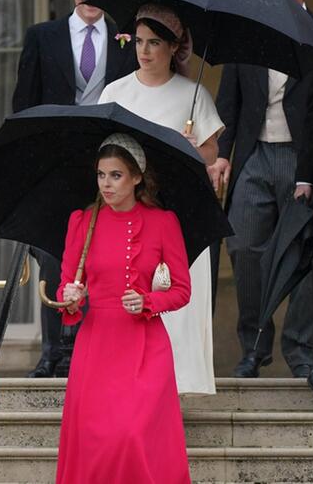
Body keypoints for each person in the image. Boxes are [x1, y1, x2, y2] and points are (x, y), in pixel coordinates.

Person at [12, 0, 137, 378]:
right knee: (53, 250)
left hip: (108, 157)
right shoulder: (41, 36)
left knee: (103, 250)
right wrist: (27, 163)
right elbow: (23, 105)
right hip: (54, 159)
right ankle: (53, 349)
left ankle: (91, 346)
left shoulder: (126, 40)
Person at [212, 0, 313, 378]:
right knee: (243, 247)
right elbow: (230, 99)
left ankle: (299, 348)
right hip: (255, 156)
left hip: (307, 161)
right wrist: (224, 153)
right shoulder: (248, 33)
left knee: (305, 255)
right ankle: (254, 343)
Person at [98, 2, 223, 395]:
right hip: (129, 212)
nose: (145, 51)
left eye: (154, 43)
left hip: (178, 210)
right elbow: (101, 149)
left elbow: (211, 152)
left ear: (173, 47)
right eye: (139, 42)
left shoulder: (194, 93)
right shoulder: (115, 92)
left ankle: (179, 382)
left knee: (175, 299)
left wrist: (189, 148)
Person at [55, 133, 191, 483]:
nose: (106, 184)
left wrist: (148, 301)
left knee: (132, 436)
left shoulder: (163, 222)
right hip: (97, 344)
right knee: (96, 443)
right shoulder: (82, 222)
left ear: (137, 177)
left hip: (145, 345)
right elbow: (67, 288)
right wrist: (70, 295)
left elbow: (181, 290)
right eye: (101, 175)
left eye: (116, 175)